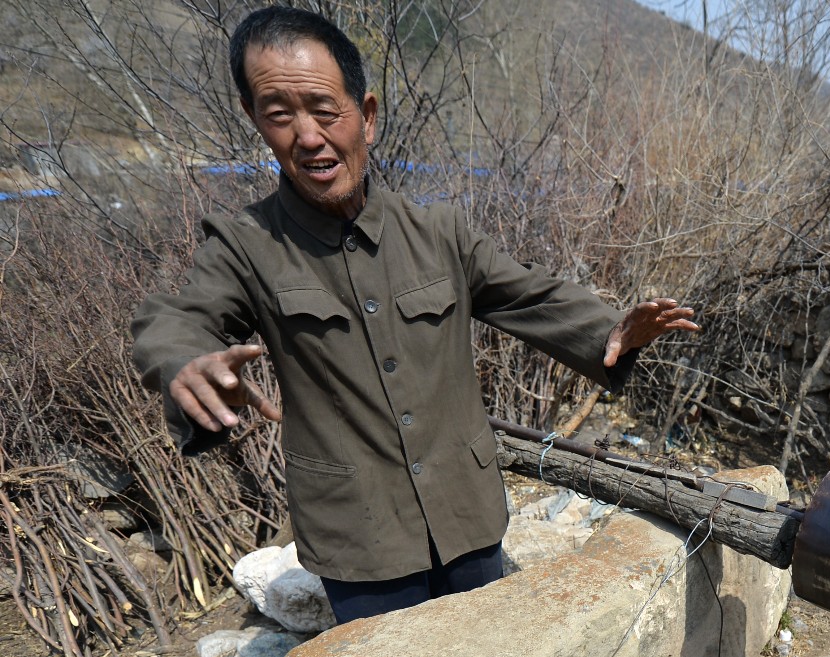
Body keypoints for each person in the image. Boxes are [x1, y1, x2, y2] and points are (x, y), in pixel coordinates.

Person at [132, 6, 698, 624]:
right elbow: (180, 317)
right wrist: (185, 363)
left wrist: (609, 329)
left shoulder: (438, 233)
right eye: (279, 115)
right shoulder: (245, 245)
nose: (309, 136)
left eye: (325, 110)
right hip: (358, 539)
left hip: (467, 514)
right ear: (255, 121)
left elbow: (529, 295)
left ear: (366, 116)